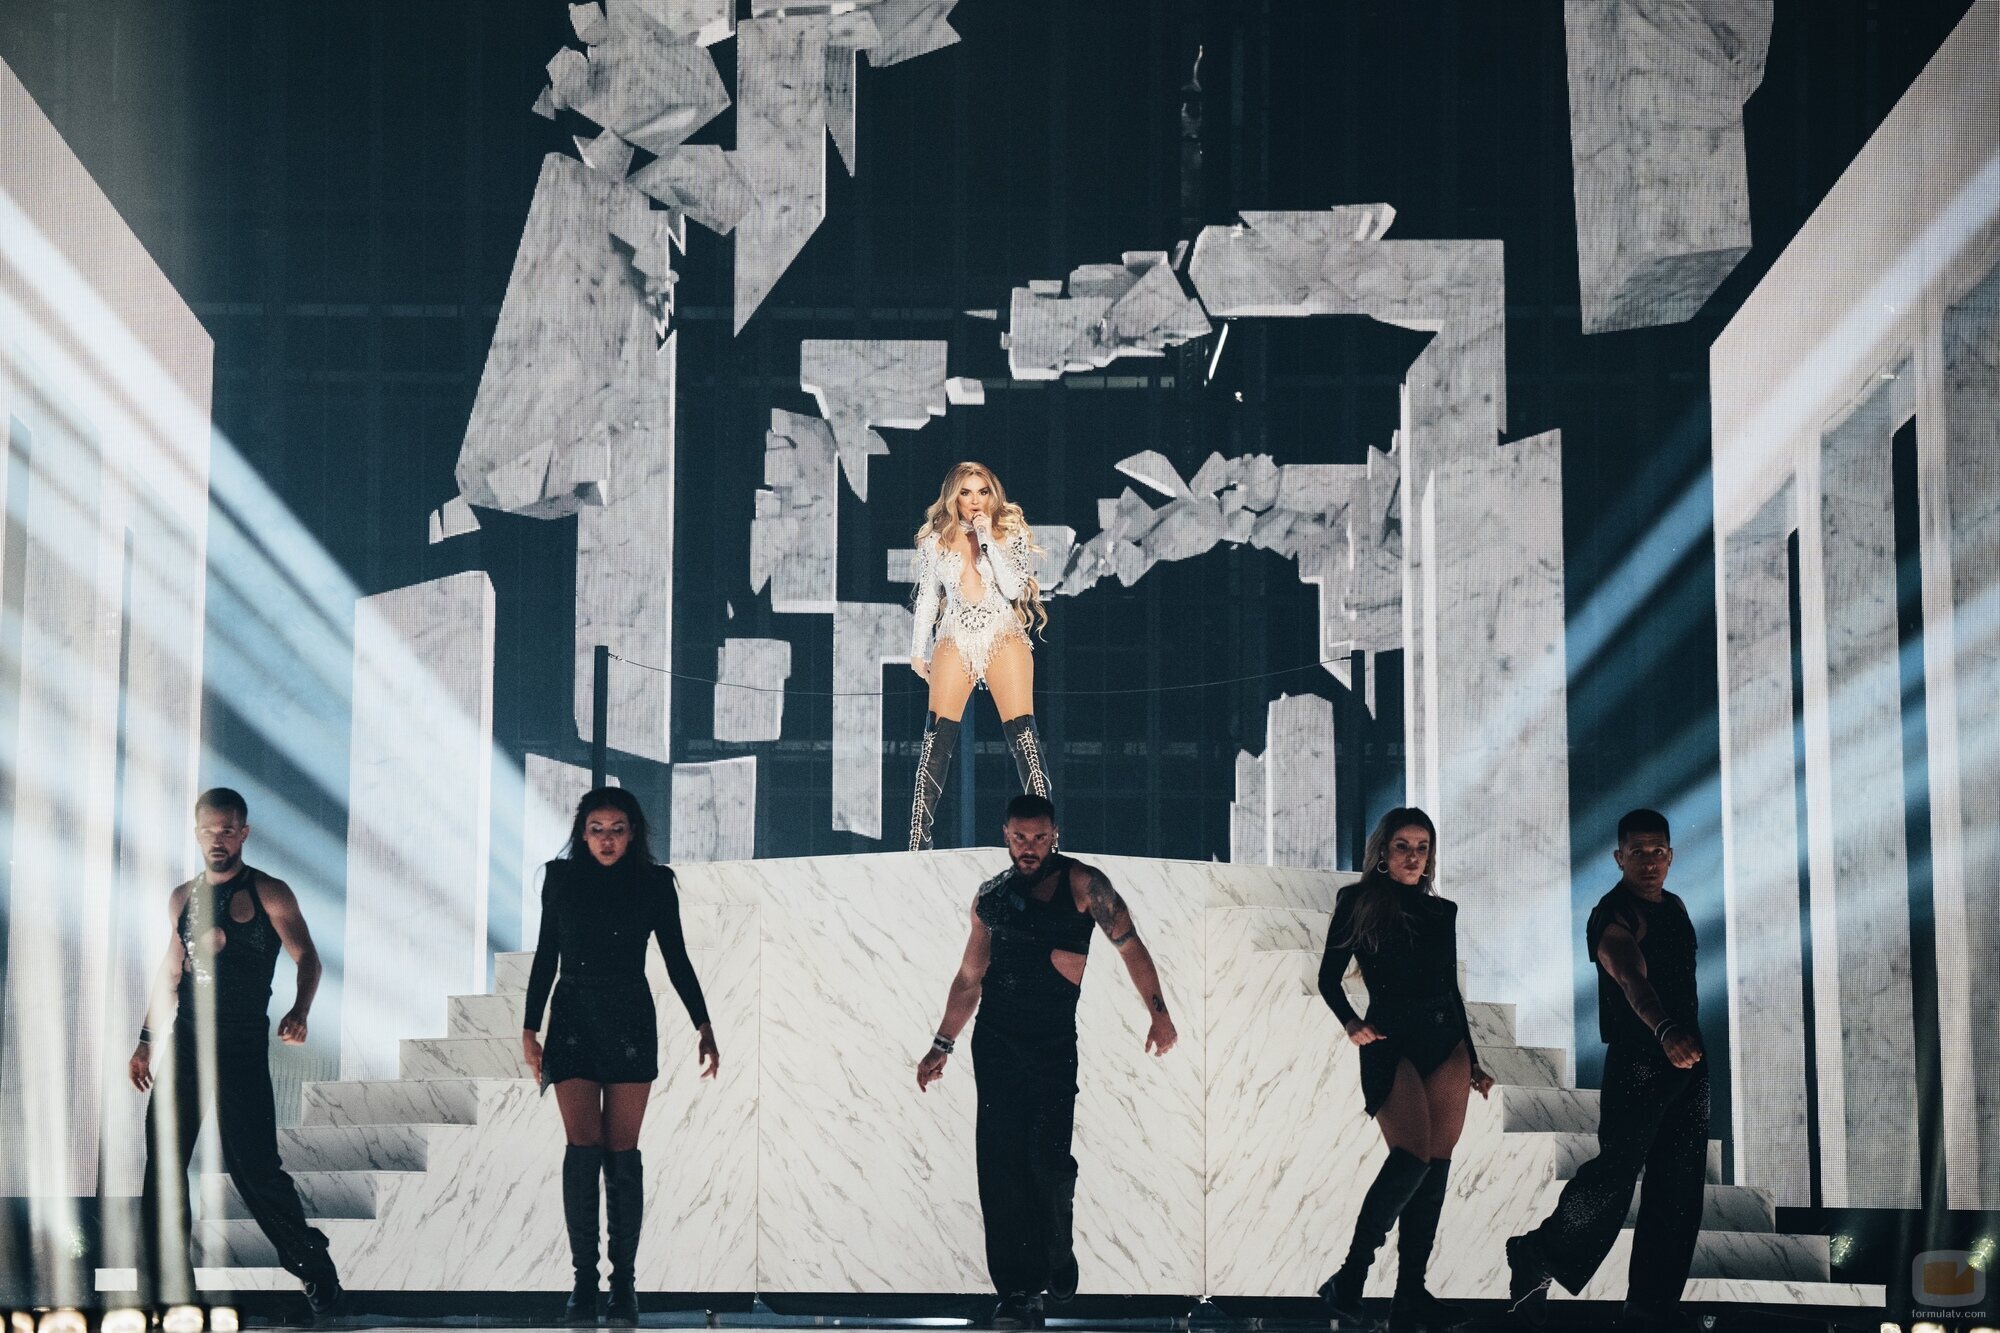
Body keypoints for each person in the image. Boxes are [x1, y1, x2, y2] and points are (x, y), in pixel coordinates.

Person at [916, 794, 1178, 1328]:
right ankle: (1018, 1292)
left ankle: (1058, 1249)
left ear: (1055, 833)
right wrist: (941, 1044)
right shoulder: (991, 896)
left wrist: (1160, 1014)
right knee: (1001, 1167)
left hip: (1053, 1045)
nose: (1028, 847)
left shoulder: (1085, 886)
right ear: (1005, 834)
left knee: (1049, 1162)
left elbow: (1131, 947)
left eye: (1038, 837)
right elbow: (969, 979)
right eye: (1018, 837)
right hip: (996, 1043)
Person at [127, 787, 345, 1316]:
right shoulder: (182, 898)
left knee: (255, 1170)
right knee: (164, 1161)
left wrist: (300, 1011)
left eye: (227, 830)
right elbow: (172, 972)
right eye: (209, 830)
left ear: (243, 833)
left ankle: (315, 1270)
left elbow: (309, 958)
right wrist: (145, 1041)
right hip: (187, 1043)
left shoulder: (270, 892)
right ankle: (166, 1286)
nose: (217, 839)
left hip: (242, 1046)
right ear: (197, 832)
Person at [520, 788, 720, 1325]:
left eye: (617, 828)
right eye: (597, 828)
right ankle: (583, 1282)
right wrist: (529, 1028)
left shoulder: (655, 884)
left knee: (622, 1151)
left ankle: (624, 1284)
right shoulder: (559, 880)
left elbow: (676, 958)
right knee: (581, 1149)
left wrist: (704, 1025)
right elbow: (545, 955)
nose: (607, 839)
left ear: (633, 834)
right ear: (582, 833)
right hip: (574, 1018)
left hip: (630, 1014)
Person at [1506, 809, 1708, 1333]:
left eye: (1659, 851)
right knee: (1614, 1177)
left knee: (1680, 1188)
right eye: (1638, 851)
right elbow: (1629, 976)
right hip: (1642, 1061)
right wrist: (1664, 1030)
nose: (1650, 861)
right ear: (1619, 858)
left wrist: (1679, 1041)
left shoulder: (1677, 906)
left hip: (1685, 1061)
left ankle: (1650, 1307)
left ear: (1671, 855)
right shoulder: (1612, 913)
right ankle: (1537, 1254)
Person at [1314, 808, 1493, 1332]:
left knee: (1435, 1168)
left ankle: (1410, 1296)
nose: (1414, 856)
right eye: (1403, 846)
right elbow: (1329, 977)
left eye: (1422, 847)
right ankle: (1350, 1277)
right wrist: (1350, 1022)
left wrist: (1476, 1061)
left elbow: (1450, 988)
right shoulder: (1358, 902)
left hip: (1447, 1043)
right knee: (1411, 1160)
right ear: (1383, 854)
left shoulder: (1444, 912)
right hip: (1390, 1039)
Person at [907, 461, 1051, 851]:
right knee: (937, 737)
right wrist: (918, 650)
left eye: (982, 491)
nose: (974, 501)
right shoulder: (935, 539)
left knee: (1024, 734)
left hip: (1002, 631)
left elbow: (1013, 586)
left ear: (993, 495)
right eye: (967, 492)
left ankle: (1047, 842)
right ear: (954, 496)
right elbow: (926, 599)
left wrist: (988, 541)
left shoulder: (1010, 531)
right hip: (955, 632)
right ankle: (918, 845)